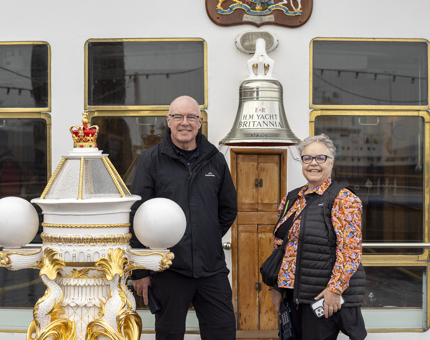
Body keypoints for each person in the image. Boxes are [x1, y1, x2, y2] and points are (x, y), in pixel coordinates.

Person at [130, 95, 238, 340]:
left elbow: (228, 208)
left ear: (200, 122)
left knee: (223, 332)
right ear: (168, 121)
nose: (184, 122)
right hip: (169, 269)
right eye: (178, 116)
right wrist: (140, 271)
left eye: (191, 117)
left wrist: (204, 237)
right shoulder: (150, 161)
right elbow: (137, 216)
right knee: (169, 335)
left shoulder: (215, 159)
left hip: (211, 270)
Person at [270, 134, 367, 340]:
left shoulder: (344, 199)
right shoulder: (292, 198)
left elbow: (350, 251)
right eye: (307, 158)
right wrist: (276, 287)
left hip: (321, 297)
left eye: (320, 158)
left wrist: (334, 290)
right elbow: (280, 246)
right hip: (293, 295)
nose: (313, 163)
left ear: (331, 162)